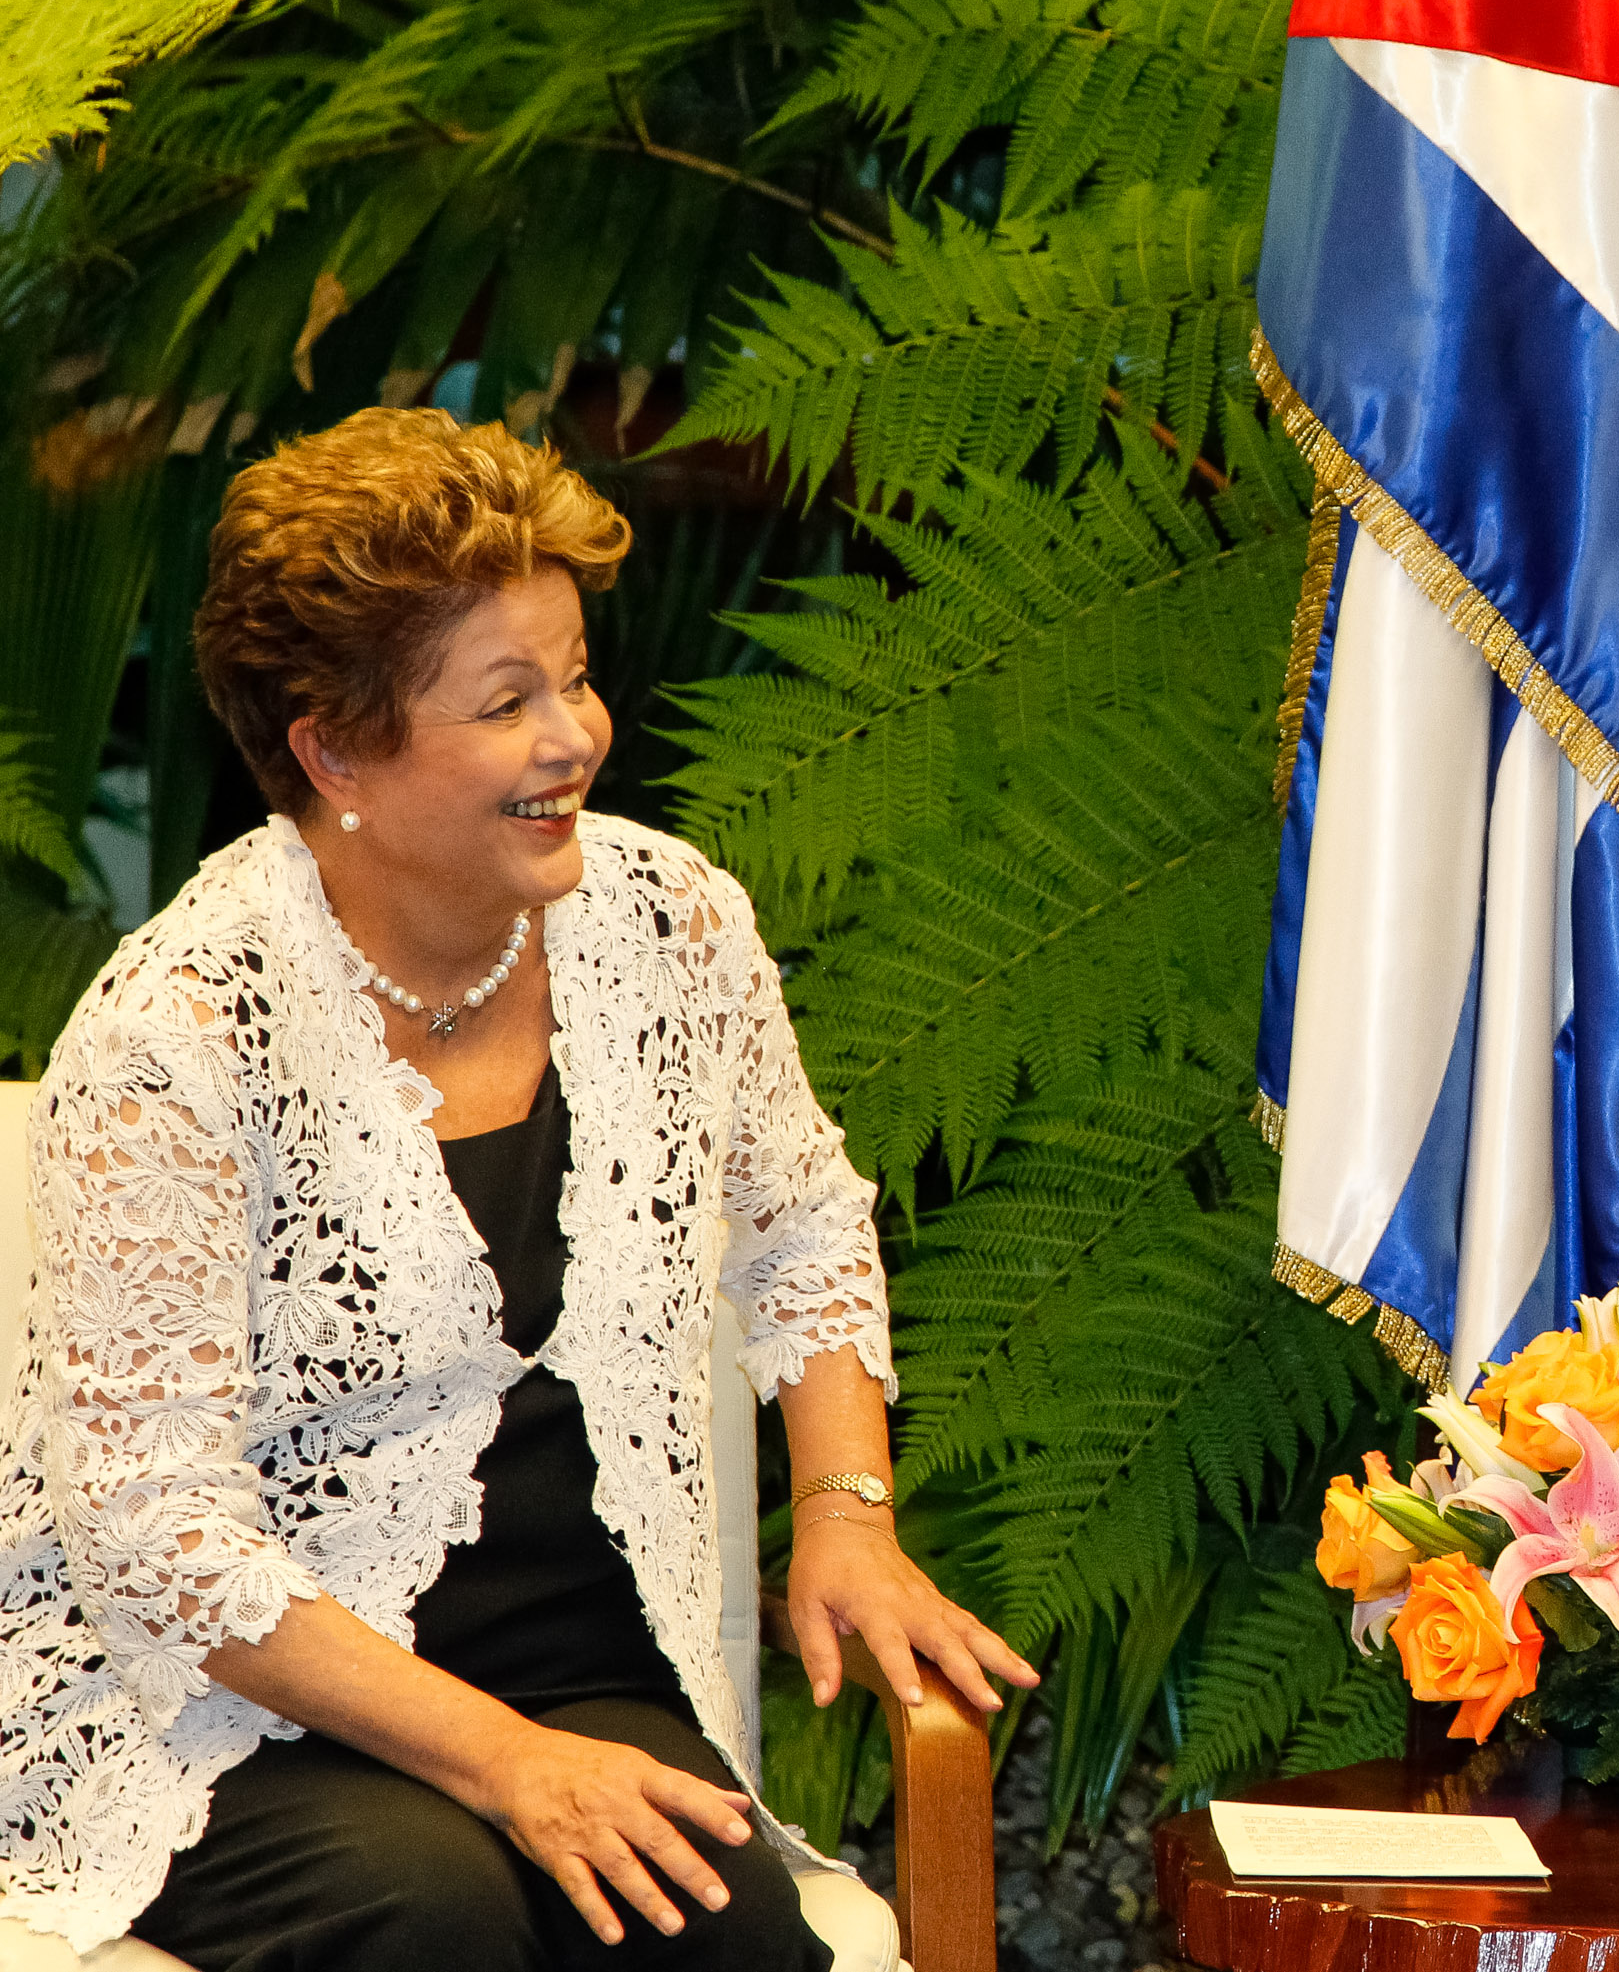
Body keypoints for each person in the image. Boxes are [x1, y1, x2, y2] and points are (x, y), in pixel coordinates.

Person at [3, 408, 1039, 1966]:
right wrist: (503, 1764)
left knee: (719, 1930)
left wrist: (845, 1512)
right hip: (223, 1708)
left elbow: (805, 1219)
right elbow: (156, 1529)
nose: (576, 736)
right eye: (507, 701)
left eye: (575, 675)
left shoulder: (670, 923)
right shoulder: (179, 1031)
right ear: (333, 752)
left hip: (580, 1673)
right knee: (436, 1916)